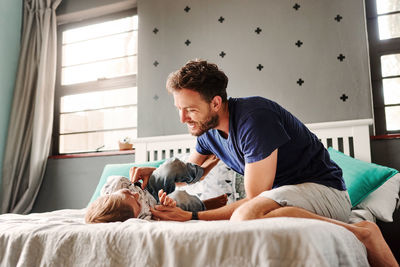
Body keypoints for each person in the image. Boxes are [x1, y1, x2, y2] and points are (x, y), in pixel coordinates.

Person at [131, 59, 398, 267]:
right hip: (281, 199)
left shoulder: (255, 118)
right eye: (178, 108)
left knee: (247, 216)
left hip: (324, 192)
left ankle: (361, 232)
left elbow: (253, 200)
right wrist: (156, 172)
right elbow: (192, 173)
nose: (183, 118)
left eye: (189, 109)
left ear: (215, 103)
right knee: (256, 215)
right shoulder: (208, 132)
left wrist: (191, 216)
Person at [85, 157, 226, 223]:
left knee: (171, 167)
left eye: (128, 193)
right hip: (157, 207)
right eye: (137, 202)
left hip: (148, 187)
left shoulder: (114, 185)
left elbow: (135, 182)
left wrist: (139, 178)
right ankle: (205, 206)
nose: (135, 195)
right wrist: (167, 206)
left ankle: (199, 174)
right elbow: (160, 218)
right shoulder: (138, 220)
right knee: (180, 198)